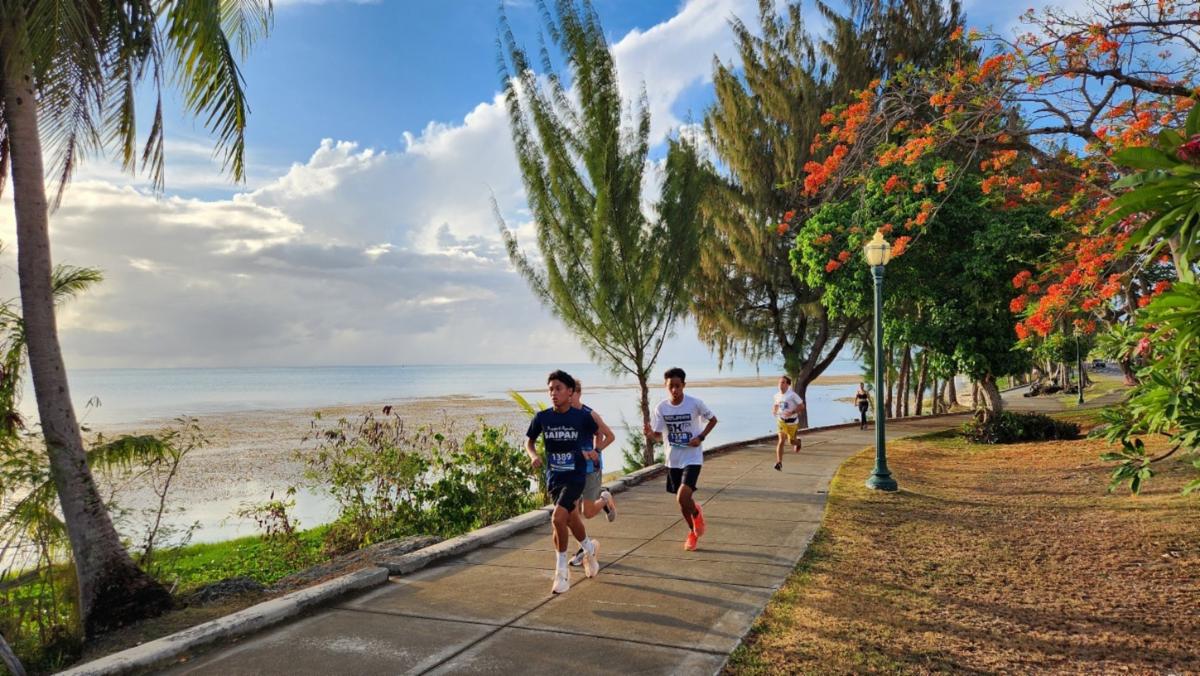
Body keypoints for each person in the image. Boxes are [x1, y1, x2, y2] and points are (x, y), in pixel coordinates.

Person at [525, 370, 603, 594]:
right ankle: (589, 550)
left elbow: (601, 433)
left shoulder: (581, 417)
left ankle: (561, 574)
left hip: (576, 476)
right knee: (568, 519)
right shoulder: (543, 418)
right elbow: (529, 442)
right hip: (554, 478)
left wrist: (594, 451)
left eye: (558, 389)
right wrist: (533, 456)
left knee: (557, 518)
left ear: (570, 392)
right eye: (550, 389)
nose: (553, 393)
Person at [643, 367, 717, 551]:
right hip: (673, 459)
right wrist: (651, 434)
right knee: (683, 503)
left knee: (682, 496)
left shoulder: (695, 404)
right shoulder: (661, 408)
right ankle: (693, 530)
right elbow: (660, 436)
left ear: (683, 385)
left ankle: (695, 515)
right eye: (671, 386)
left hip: (692, 457)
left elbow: (713, 420)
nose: (674, 390)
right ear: (666, 386)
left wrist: (700, 437)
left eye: (678, 386)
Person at [568, 379, 618, 568]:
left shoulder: (589, 415)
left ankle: (605, 498)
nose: (568, 398)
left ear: (578, 393)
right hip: (571, 471)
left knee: (587, 513)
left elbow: (608, 435)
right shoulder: (563, 416)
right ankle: (584, 548)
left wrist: (596, 451)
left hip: (590, 469)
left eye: (571, 394)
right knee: (570, 515)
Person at [772, 375, 805, 471]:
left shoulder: (792, 395)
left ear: (788, 385)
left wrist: (792, 412)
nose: (780, 385)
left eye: (783, 382)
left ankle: (798, 442)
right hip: (781, 421)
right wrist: (774, 410)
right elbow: (776, 405)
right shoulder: (776, 395)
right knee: (781, 440)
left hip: (792, 422)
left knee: (791, 441)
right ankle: (779, 463)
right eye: (779, 382)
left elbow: (802, 406)